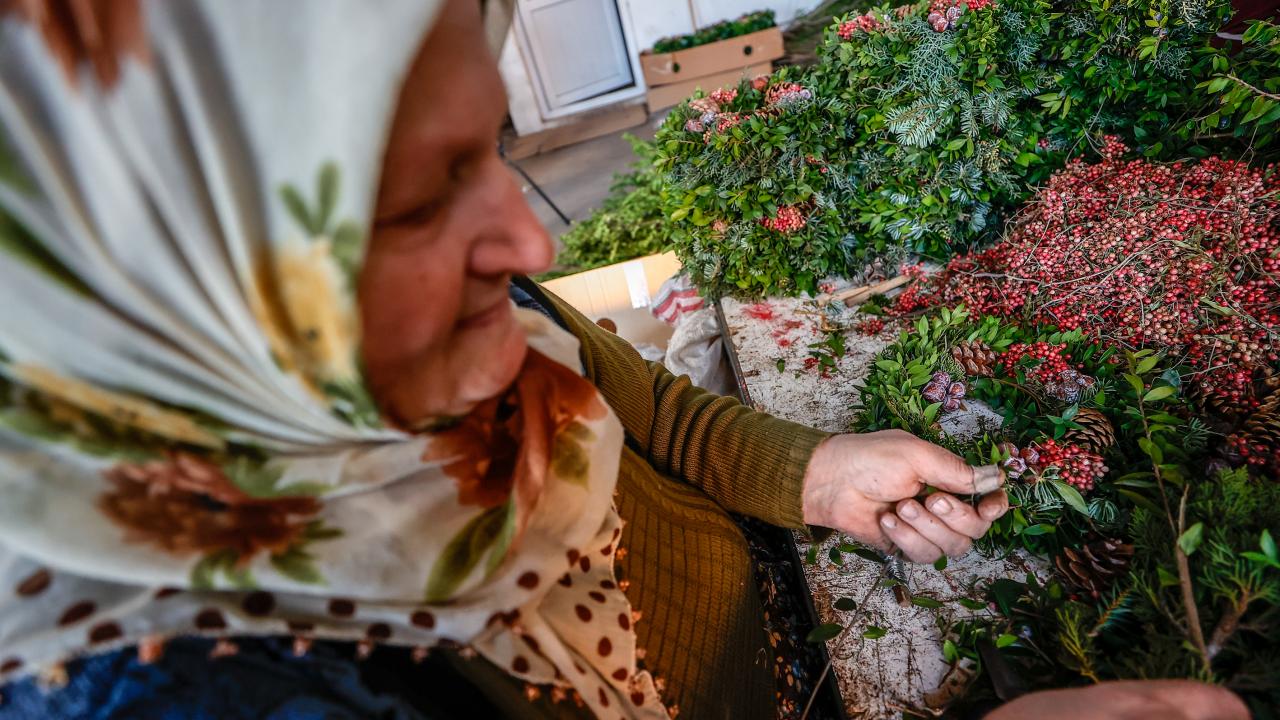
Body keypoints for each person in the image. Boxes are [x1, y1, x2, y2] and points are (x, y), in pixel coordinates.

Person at [0, 1, 1249, 719]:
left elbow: (646, 408)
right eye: (418, 201)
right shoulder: (212, 690)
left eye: (490, 148)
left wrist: (819, 475)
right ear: (149, 293)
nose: (530, 241)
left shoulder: (453, 332)